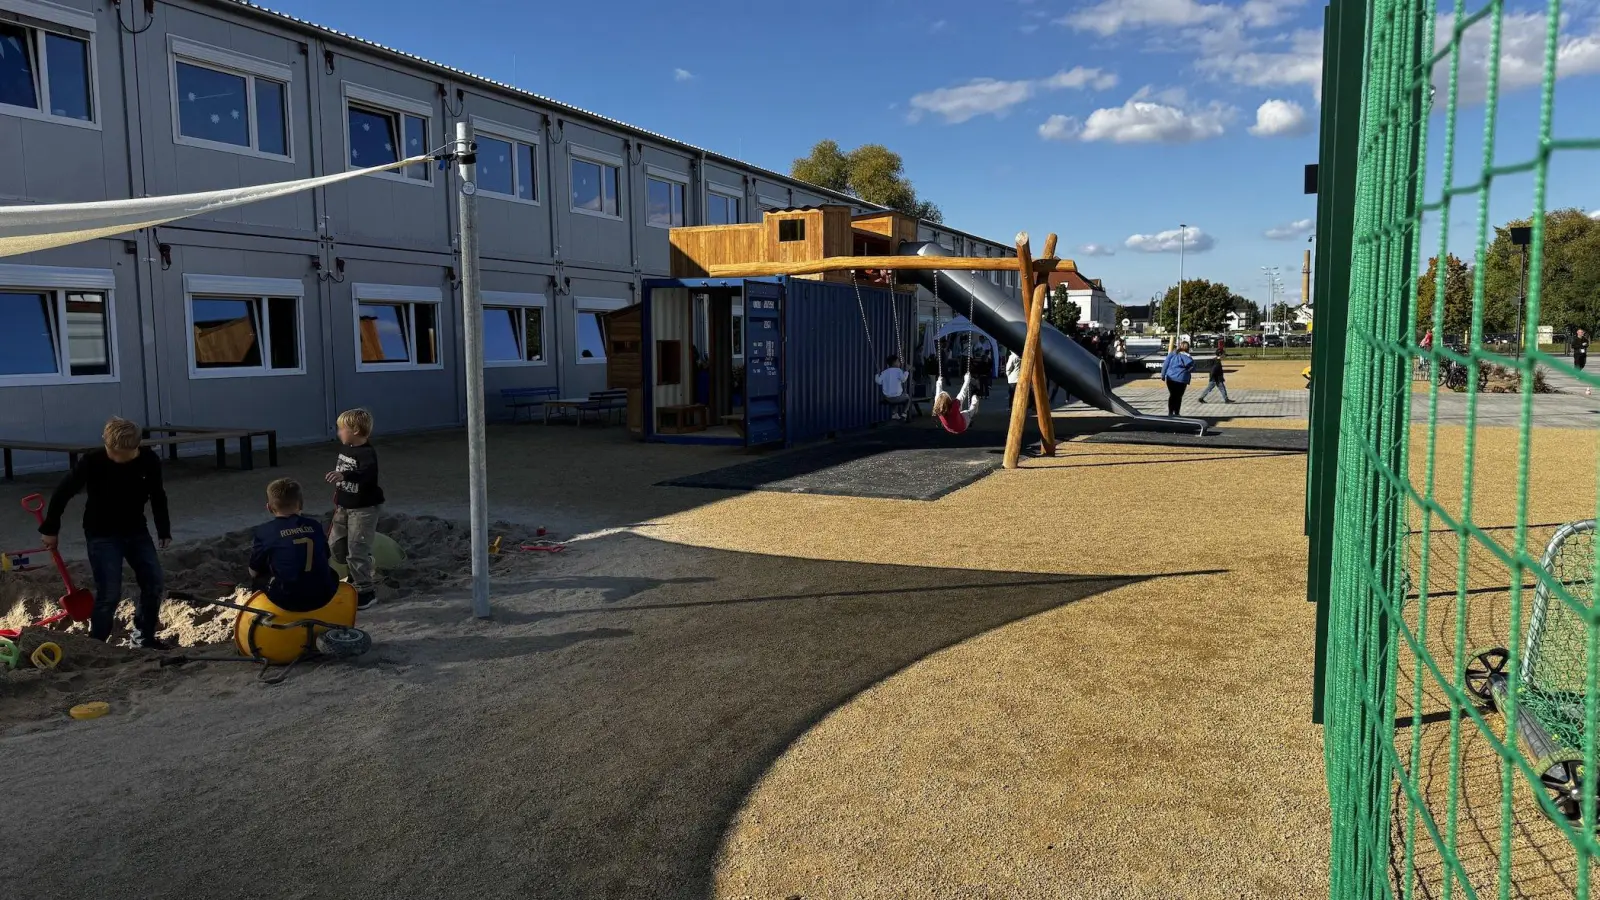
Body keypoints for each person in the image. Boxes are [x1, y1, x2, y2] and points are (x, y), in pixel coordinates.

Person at [38, 417, 172, 648]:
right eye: (112, 452)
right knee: (109, 592)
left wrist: (163, 529)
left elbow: (158, 495)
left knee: (153, 583)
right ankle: (97, 645)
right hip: (101, 533)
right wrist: (50, 529)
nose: (116, 457)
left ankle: (143, 638)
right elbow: (62, 493)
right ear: (106, 444)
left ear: (136, 447)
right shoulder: (93, 461)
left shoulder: (149, 460)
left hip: (136, 530)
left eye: (122, 454)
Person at [249, 478, 340, 613]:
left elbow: (253, 571)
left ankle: (267, 614)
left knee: (259, 579)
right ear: (301, 504)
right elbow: (327, 558)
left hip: (289, 600)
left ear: (269, 507)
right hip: (325, 595)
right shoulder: (314, 525)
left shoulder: (264, 531)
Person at [326, 408, 384, 610]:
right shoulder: (345, 449)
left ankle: (366, 592)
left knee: (356, 550)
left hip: (364, 509)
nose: (338, 432)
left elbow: (366, 474)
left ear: (356, 431)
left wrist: (345, 476)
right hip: (343, 506)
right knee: (336, 546)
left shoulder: (367, 453)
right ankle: (362, 566)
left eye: (342, 429)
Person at [1161, 341, 1195, 416]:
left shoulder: (1172, 354)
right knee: (1179, 396)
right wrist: (1186, 371)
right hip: (1182, 378)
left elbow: (1165, 364)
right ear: (1188, 348)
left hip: (1170, 378)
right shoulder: (1188, 356)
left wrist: (1163, 375)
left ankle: (1170, 412)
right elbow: (1192, 368)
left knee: (1172, 395)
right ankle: (1177, 412)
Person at [875, 354, 912, 420]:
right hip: (896, 397)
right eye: (898, 361)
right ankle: (904, 413)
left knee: (893, 395)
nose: (899, 363)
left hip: (887, 398)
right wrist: (906, 371)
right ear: (894, 362)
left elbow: (878, 381)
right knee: (908, 398)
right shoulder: (898, 371)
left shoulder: (884, 372)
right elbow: (903, 379)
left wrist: (877, 374)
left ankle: (894, 413)